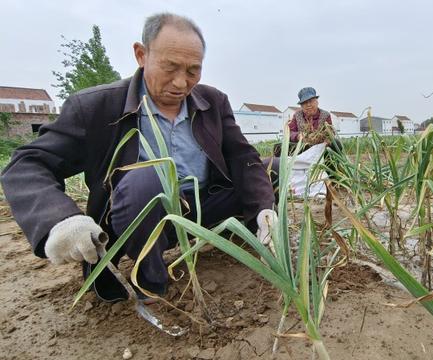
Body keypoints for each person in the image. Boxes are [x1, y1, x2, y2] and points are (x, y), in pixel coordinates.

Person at [0, 13, 278, 303]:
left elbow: (242, 155)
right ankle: (150, 282)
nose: (182, 83)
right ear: (141, 54)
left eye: (193, 71)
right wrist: (61, 220)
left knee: (272, 171)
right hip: (137, 217)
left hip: (200, 206)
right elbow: (27, 163)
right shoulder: (96, 107)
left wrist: (263, 207)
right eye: (170, 67)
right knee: (148, 177)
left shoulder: (213, 102)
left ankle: (245, 235)